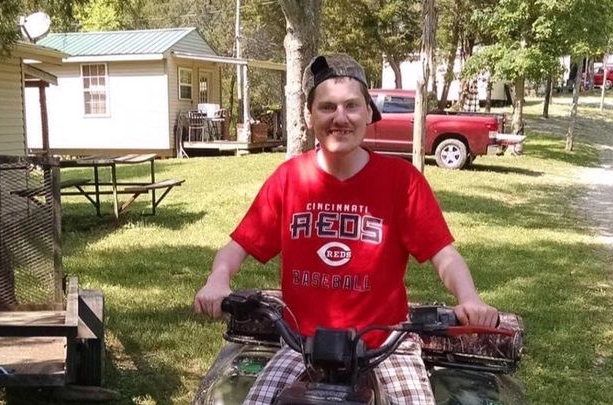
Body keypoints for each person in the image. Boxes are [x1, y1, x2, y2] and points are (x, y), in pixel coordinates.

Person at [194, 53, 498, 404]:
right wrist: (218, 279)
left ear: (368, 113)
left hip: (386, 343)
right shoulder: (289, 179)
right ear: (309, 116)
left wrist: (469, 298)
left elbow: (444, 255)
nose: (340, 117)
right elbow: (237, 246)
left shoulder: (401, 181)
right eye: (327, 107)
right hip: (302, 344)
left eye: (351, 106)